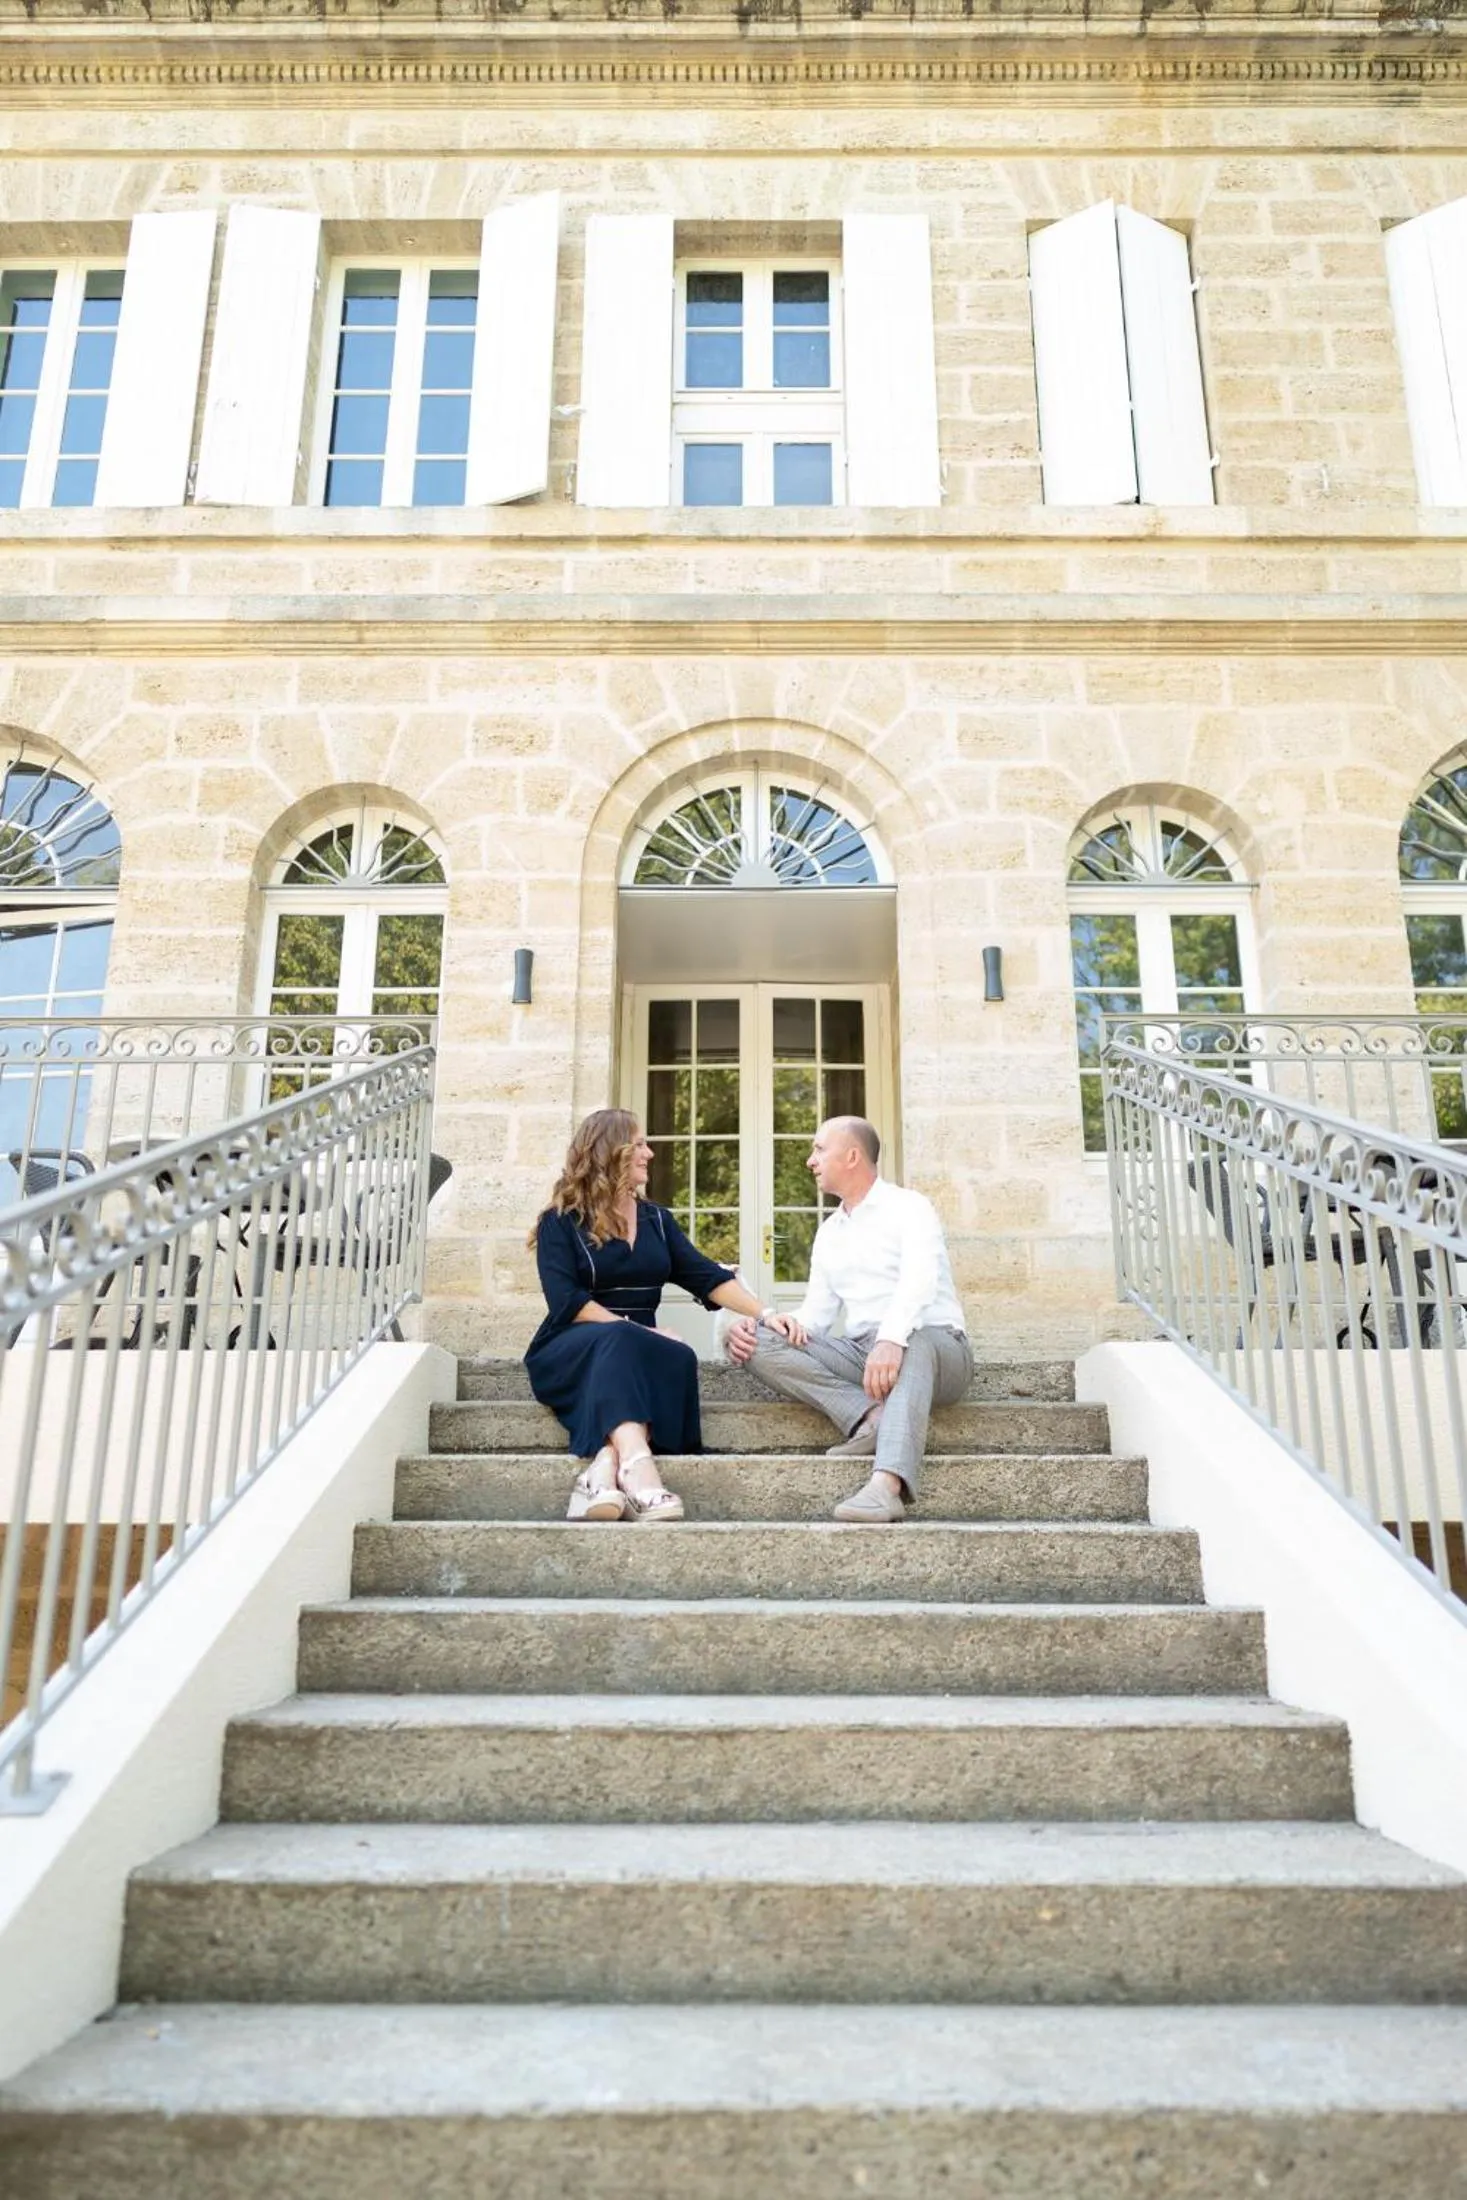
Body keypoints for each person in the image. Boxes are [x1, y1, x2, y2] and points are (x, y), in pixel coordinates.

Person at [724, 1116, 972, 1523]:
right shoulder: (830, 1232)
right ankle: (870, 1418)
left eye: (819, 1149)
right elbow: (815, 1319)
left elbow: (920, 1280)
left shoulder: (910, 1207)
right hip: (864, 1355)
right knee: (757, 1340)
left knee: (915, 1341)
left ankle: (886, 1487)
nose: (810, 1160)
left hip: (941, 1349)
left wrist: (892, 1338)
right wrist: (765, 1324)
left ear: (852, 1155)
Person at [526, 1107, 768, 1522]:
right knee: (624, 1342)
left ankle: (602, 1471)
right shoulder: (560, 1222)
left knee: (680, 1356)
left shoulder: (657, 1220)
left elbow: (705, 1276)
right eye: (639, 1144)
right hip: (571, 1345)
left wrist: (767, 1313)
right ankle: (640, 1468)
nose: (650, 1153)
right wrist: (642, 1333)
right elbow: (567, 1302)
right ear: (610, 1151)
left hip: (633, 1352)